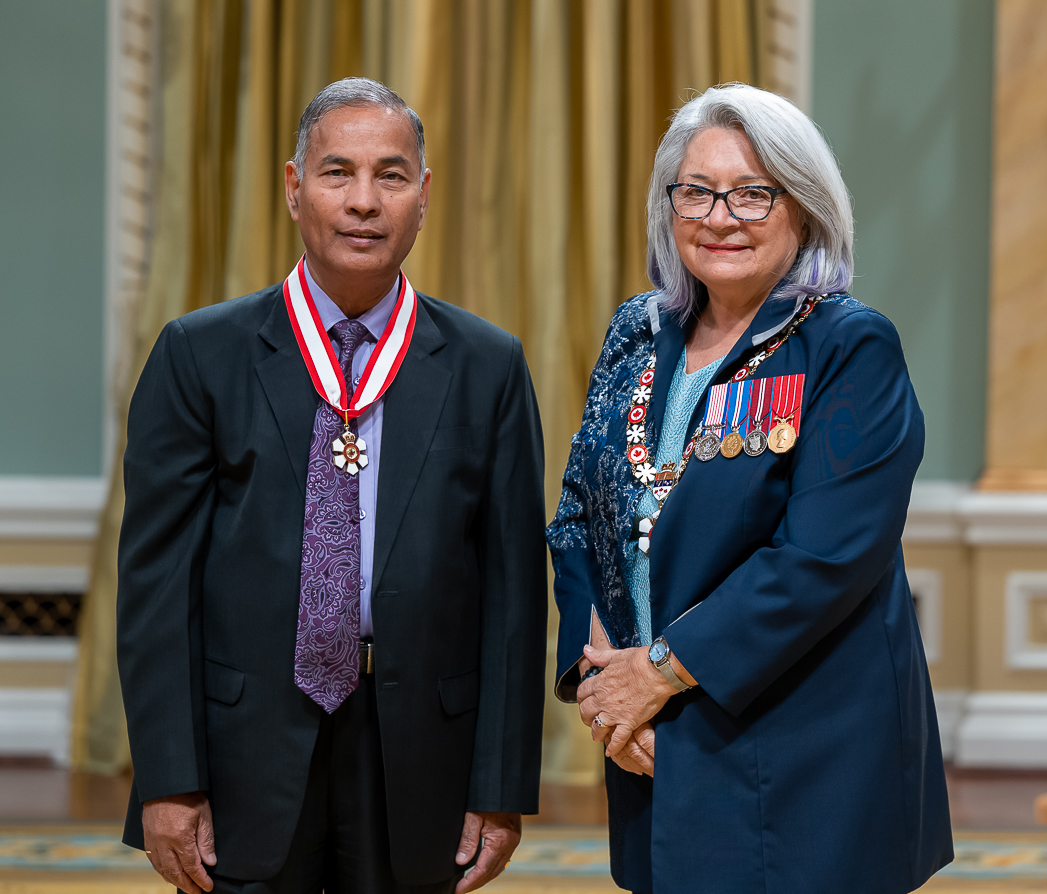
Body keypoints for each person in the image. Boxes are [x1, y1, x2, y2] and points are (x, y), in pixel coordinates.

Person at [117, 78, 548, 894]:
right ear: (293, 188)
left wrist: (500, 786)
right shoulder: (200, 355)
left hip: (421, 751)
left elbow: (514, 594)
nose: (363, 201)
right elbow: (156, 589)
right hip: (243, 748)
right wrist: (168, 779)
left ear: (423, 197)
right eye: (337, 172)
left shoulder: (488, 366)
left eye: (391, 176)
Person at [547, 83, 953, 894]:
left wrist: (656, 673)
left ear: (803, 206)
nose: (720, 216)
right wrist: (603, 685)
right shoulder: (637, 331)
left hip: (804, 756)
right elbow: (579, 517)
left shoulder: (847, 346)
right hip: (650, 739)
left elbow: (821, 558)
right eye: (696, 191)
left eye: (752, 193)